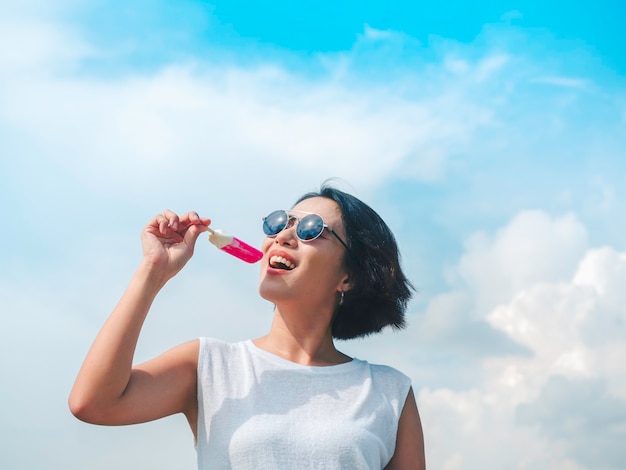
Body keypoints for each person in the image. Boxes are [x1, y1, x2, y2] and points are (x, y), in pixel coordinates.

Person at [69, 183, 426, 469]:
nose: (284, 236)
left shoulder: (388, 391)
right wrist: (152, 272)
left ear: (348, 277)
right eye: (279, 223)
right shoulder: (211, 365)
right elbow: (94, 403)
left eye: (311, 229)